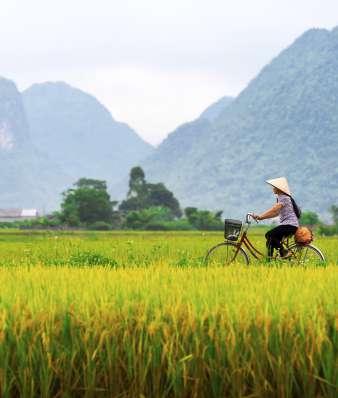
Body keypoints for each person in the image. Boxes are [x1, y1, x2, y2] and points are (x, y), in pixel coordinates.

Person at [253, 177, 301, 258]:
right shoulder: (282, 198)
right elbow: (275, 213)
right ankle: (269, 262)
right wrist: (261, 218)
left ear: (279, 189)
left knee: (269, 234)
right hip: (290, 226)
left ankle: (284, 252)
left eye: (274, 187)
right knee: (270, 242)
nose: (273, 188)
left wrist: (260, 216)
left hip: (289, 226)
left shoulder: (284, 198)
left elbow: (274, 210)